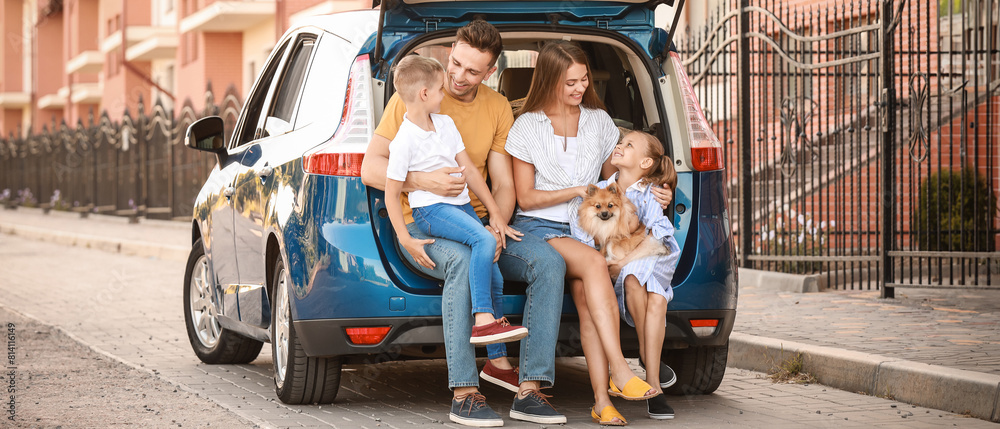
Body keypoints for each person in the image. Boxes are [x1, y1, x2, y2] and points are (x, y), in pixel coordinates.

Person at [361, 19, 568, 427]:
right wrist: (422, 180)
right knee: (461, 259)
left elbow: (503, 182)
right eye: (455, 63)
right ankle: (465, 392)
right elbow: (370, 167)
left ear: (490, 71)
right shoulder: (416, 97)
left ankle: (529, 387)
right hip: (425, 226)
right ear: (450, 51)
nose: (458, 77)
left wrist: (498, 223)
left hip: (475, 220)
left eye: (472, 71)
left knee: (549, 263)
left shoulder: (495, 107)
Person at [505, 41, 664, 426]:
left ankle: (600, 401)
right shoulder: (527, 126)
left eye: (583, 79)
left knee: (586, 300)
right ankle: (621, 372)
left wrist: (658, 184)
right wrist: (576, 190)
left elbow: (623, 173)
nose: (579, 88)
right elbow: (525, 196)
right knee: (594, 264)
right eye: (570, 82)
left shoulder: (599, 121)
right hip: (539, 226)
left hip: (586, 231)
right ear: (549, 81)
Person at [384, 55, 527, 346]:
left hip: (460, 205)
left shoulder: (445, 123)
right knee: (485, 242)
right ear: (424, 94)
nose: (444, 93)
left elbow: (471, 171)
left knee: (494, 275)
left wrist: (494, 212)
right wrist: (405, 238)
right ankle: (483, 321)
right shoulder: (403, 141)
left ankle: (496, 356)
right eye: (440, 89)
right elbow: (390, 193)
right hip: (431, 210)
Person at [575, 130, 681, 420]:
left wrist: (624, 262)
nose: (619, 146)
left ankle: (653, 378)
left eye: (628, 145)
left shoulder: (651, 191)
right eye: (619, 143)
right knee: (638, 284)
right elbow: (586, 233)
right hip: (624, 261)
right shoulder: (600, 190)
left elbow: (659, 236)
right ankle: (651, 368)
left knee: (646, 287)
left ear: (645, 162)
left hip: (652, 253)